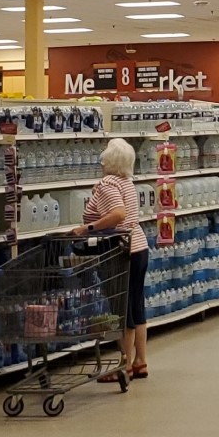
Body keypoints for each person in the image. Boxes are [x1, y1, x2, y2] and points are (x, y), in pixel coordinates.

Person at [73, 138, 150, 380]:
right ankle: (140, 361)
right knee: (136, 305)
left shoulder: (107, 184)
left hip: (120, 250)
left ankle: (123, 366)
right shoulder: (126, 182)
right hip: (138, 246)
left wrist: (87, 228)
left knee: (121, 308)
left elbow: (118, 214)